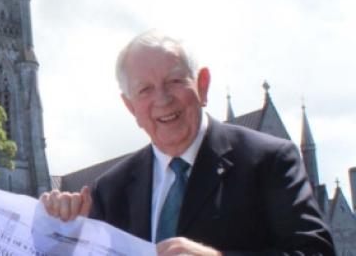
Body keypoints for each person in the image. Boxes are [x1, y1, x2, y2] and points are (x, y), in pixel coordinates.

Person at [40, 30, 334, 256]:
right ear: (130, 107)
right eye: (145, 90)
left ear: (202, 84)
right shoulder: (109, 190)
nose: (162, 99)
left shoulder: (269, 160)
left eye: (175, 81)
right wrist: (65, 234)